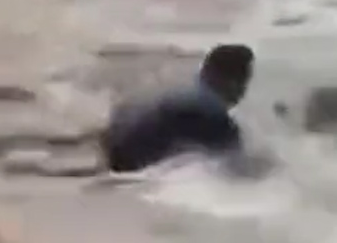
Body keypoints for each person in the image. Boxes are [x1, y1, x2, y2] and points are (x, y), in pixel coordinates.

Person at [101, 45, 255, 174]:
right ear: (234, 81)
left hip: (114, 147)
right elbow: (237, 168)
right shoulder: (213, 112)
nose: (243, 91)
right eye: (245, 81)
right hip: (134, 163)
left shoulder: (173, 90)